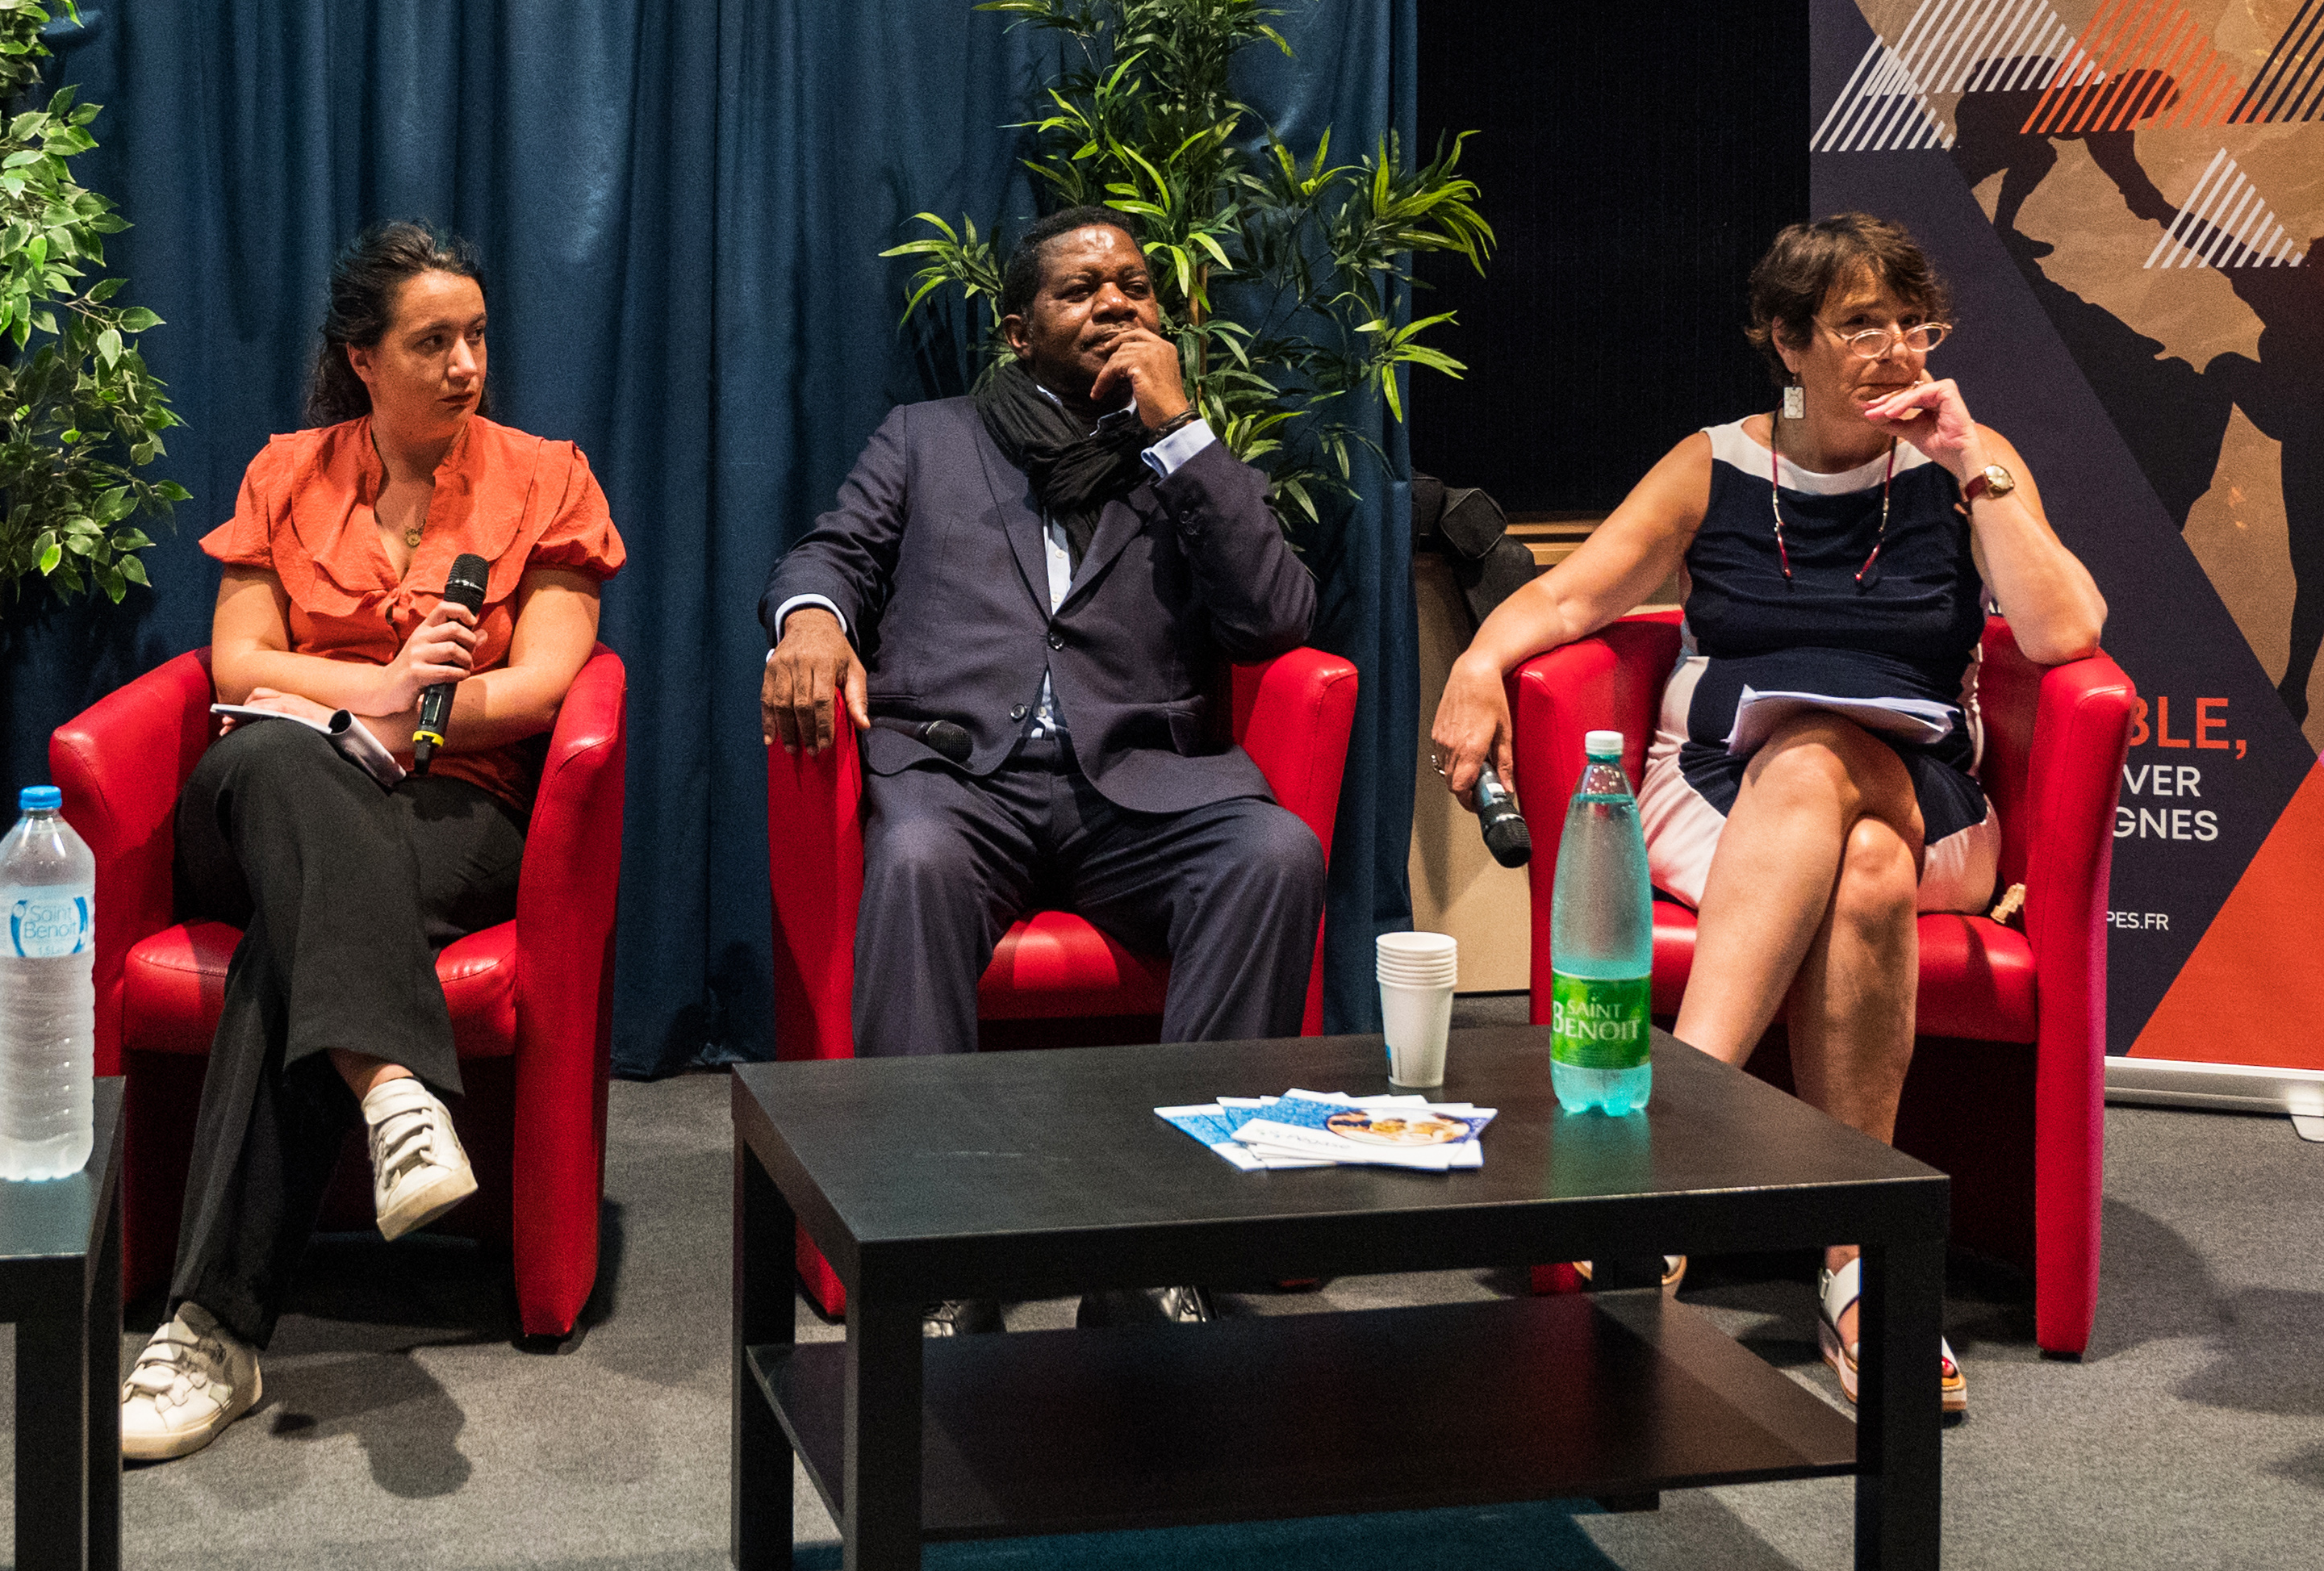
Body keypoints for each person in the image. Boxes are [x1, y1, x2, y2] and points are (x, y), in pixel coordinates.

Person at [1428, 213, 2105, 1418]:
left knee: (1824, 762)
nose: (1897, 348)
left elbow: (2062, 637)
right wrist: (1481, 663)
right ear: (1787, 343)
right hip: (1717, 794)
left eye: (1914, 323)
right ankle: (1859, 1267)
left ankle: (1666, 1140)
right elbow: (1579, 592)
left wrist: (1971, 464)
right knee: (1860, 867)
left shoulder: (1966, 460)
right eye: (1860, 324)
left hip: (1931, 789)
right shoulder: (1717, 464)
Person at [759, 206, 1327, 1335]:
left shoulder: (1180, 460)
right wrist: (814, 621)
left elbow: (1277, 616)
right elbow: (831, 550)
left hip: (1139, 787)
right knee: (913, 861)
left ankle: (1159, 1243)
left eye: (1135, 285)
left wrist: (1183, 437)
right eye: (1081, 288)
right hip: (963, 779)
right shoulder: (928, 438)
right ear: (1020, 330)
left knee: (1276, 853)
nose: (1116, 301)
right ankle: (939, 1248)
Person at [118, 224, 622, 1464]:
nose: (465, 364)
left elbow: (552, 684)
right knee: (283, 762)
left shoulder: (546, 477)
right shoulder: (287, 472)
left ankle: (208, 1333)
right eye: (432, 341)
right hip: (272, 786)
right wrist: (372, 697)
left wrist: (423, 714)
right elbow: (235, 668)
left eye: (477, 337)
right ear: (362, 358)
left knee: (285, 953)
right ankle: (396, 1087)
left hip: (460, 807)